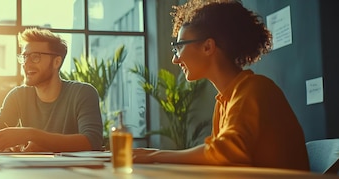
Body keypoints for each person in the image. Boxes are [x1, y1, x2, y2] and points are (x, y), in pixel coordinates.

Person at [133, 0, 310, 171]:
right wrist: (152, 154)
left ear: (208, 47)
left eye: (179, 47)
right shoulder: (225, 100)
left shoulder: (255, 89)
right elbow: (219, 158)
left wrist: (155, 156)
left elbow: (224, 153)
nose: (175, 59)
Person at [0, 28, 103, 152]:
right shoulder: (18, 96)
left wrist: (32, 135)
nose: (26, 63)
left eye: (35, 57)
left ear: (56, 62)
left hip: (75, 172)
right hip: (29, 171)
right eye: (24, 57)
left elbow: (92, 141)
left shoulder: (83, 93)